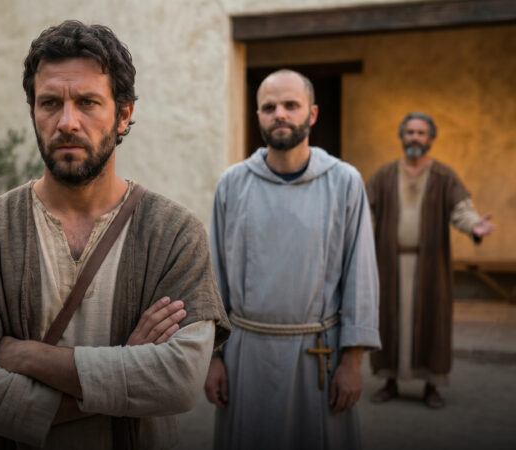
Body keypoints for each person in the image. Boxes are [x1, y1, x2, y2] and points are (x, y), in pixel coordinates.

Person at [0, 20, 230, 450]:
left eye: (87, 102)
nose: (67, 122)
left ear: (124, 114)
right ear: (33, 112)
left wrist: (31, 357)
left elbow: (178, 383)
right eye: (50, 103)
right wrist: (124, 369)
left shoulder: (174, 234)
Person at [205, 69, 381, 449]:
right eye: (269, 107)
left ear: (312, 114)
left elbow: (360, 276)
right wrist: (213, 358)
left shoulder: (344, 182)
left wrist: (352, 363)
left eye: (290, 105)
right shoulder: (233, 184)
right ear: (258, 116)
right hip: (246, 356)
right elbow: (213, 277)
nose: (279, 114)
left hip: (318, 355)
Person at [366, 112, 494, 409]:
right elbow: (363, 212)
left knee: (432, 321)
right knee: (388, 321)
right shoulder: (384, 175)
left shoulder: (444, 177)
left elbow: (462, 211)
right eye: (409, 132)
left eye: (421, 133)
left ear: (431, 139)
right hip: (390, 264)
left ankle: (431, 386)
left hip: (430, 267)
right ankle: (390, 381)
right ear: (401, 137)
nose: (414, 138)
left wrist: (474, 225)